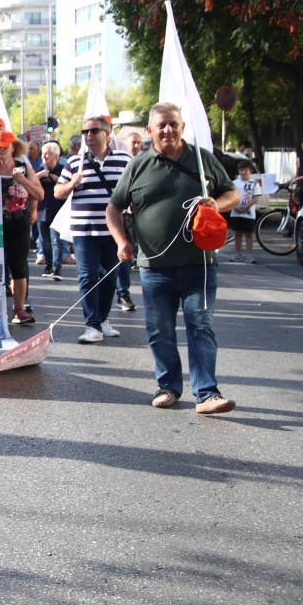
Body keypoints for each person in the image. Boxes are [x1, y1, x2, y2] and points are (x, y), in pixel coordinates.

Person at [107, 101, 239, 414]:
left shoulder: (202, 160)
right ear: (150, 130)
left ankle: (207, 394)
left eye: (173, 124)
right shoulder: (138, 165)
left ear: (182, 127)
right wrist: (121, 242)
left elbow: (233, 194)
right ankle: (168, 387)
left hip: (200, 264)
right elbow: (113, 208)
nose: (168, 130)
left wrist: (217, 204)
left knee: (201, 327)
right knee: (160, 330)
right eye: (161, 125)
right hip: (155, 267)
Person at [54, 116, 132, 343]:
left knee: (110, 277)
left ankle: (103, 319)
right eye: (85, 131)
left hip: (113, 230)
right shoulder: (74, 162)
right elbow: (58, 192)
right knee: (87, 276)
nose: (88, 135)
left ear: (107, 134)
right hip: (84, 230)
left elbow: (134, 189)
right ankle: (92, 325)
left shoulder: (124, 159)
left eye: (94, 130)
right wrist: (72, 183)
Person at [0, 130, 43, 325]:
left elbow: (39, 194)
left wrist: (22, 180)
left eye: (4, 147)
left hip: (18, 223)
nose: (0, 150)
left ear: (13, 147)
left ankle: (19, 309)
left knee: (18, 267)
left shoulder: (23, 167)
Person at [35, 141, 69, 281]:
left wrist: (55, 179)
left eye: (47, 154)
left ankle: (57, 268)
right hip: (42, 210)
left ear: (56, 156)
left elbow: (67, 185)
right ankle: (49, 265)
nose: (43, 157)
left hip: (57, 210)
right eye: (42, 154)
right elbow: (30, 182)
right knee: (45, 241)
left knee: (56, 240)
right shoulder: (40, 169)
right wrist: (40, 175)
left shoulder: (62, 169)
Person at [228, 160, 261, 263]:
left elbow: (256, 198)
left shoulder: (254, 183)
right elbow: (230, 197)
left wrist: (246, 206)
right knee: (238, 233)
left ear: (250, 171)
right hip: (236, 213)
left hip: (249, 214)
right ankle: (237, 253)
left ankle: (250, 254)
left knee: (249, 234)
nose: (243, 172)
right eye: (241, 170)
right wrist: (235, 207)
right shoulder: (234, 183)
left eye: (245, 170)